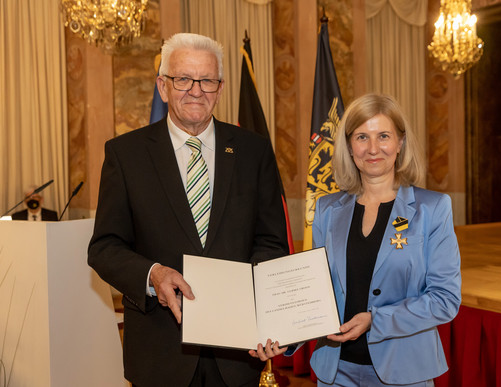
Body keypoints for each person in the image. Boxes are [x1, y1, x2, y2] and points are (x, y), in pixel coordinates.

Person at [88, 33, 289, 387]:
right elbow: (104, 248)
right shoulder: (126, 154)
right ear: (162, 86)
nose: (196, 90)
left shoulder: (253, 151)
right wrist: (153, 274)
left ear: (220, 87)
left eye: (207, 80)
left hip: (238, 353)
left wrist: (267, 315)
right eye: (183, 79)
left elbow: (271, 242)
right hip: (160, 353)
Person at [309, 93, 461, 386]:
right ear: (349, 145)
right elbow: (315, 293)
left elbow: (445, 299)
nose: (373, 148)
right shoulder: (327, 210)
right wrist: (287, 337)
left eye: (383, 136)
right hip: (335, 373)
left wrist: (375, 320)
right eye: (362, 137)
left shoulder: (432, 208)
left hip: (405, 373)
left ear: (400, 142)